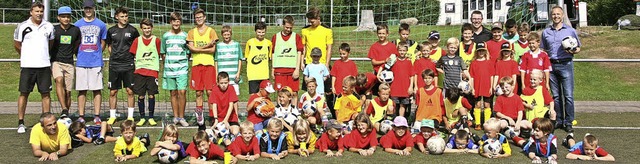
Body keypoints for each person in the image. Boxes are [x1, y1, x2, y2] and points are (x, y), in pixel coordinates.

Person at [14, 2, 55, 133]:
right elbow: (17, 45)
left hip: (44, 65)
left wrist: (42, 56)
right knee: (24, 93)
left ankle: (46, 121)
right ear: (31, 12)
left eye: (41, 11)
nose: (39, 13)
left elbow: (50, 43)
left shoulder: (48, 26)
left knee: (45, 94)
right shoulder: (22, 26)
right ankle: (21, 122)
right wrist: (27, 56)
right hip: (27, 66)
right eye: (36, 11)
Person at [541, 6, 582, 133]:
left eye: (558, 14)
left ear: (563, 15)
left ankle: (568, 121)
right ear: (551, 16)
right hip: (551, 66)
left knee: (568, 95)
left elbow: (579, 47)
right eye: (554, 14)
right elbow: (543, 49)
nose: (556, 16)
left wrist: (572, 50)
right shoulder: (546, 32)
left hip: (566, 64)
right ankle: (559, 120)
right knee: (556, 96)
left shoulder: (570, 31)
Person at [75, 0, 108, 124]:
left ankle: (97, 115)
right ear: (83, 9)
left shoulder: (101, 24)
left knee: (96, 89)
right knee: (82, 90)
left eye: (90, 8)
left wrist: (96, 53)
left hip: (95, 62)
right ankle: (81, 115)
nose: (88, 11)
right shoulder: (77, 24)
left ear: (94, 8)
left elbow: (103, 42)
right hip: (82, 62)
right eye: (86, 8)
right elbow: (76, 41)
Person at [106, 7, 139, 125]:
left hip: (128, 64)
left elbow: (137, 45)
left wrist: (130, 56)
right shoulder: (111, 31)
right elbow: (109, 45)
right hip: (114, 64)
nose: (125, 18)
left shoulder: (133, 30)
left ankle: (130, 117)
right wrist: (115, 55)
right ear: (116, 17)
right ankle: (112, 116)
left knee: (130, 91)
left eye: (126, 16)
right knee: (113, 92)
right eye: (122, 16)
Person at [187, 8, 219, 124]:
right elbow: (191, 48)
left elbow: (213, 50)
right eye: (196, 17)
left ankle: (212, 116)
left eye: (200, 17)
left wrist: (198, 49)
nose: (199, 19)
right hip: (197, 65)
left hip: (209, 65)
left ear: (204, 17)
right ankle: (199, 117)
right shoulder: (191, 32)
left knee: (210, 92)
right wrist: (206, 46)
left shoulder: (211, 31)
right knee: (198, 92)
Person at [128, 18, 161, 126]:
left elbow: (161, 53)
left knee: (151, 95)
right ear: (141, 29)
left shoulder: (156, 40)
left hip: (152, 71)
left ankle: (151, 117)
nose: (147, 30)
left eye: (148, 28)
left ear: (152, 28)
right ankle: (142, 117)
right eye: (144, 28)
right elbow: (132, 54)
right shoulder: (137, 40)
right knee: (141, 95)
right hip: (140, 71)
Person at [50, 6, 81, 118]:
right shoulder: (54, 29)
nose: (66, 19)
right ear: (58, 17)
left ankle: (65, 115)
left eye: (68, 16)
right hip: (56, 61)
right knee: (59, 80)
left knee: (68, 92)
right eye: (63, 17)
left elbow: (77, 46)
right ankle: (63, 109)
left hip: (69, 62)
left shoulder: (75, 30)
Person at [161, 12, 190, 126]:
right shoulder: (165, 36)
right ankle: (176, 117)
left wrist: (182, 62)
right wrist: (167, 63)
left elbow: (188, 53)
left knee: (182, 92)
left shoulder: (185, 35)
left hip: (182, 68)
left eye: (178, 21)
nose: (176, 23)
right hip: (170, 68)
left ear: (180, 22)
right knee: (173, 92)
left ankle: (182, 117)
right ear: (170, 22)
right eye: (174, 21)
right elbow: (163, 52)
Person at [272, 15, 303, 104]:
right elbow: (273, 53)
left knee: (293, 93)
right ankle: (280, 113)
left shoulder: (296, 37)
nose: (288, 29)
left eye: (290, 28)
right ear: (283, 25)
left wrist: (297, 69)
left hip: (292, 69)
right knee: (280, 93)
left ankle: (293, 113)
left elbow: (299, 53)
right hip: (279, 69)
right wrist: (273, 69)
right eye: (286, 27)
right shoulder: (275, 37)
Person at [301, 7, 333, 92]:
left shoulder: (327, 30)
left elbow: (329, 48)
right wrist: (302, 62)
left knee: (327, 91)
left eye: (312, 21)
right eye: (309, 21)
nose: (310, 23)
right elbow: (303, 47)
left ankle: (328, 105)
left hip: (322, 63)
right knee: (309, 89)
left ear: (318, 18)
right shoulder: (305, 30)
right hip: (309, 63)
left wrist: (327, 64)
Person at [469, 42, 496, 130]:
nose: (481, 53)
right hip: (477, 86)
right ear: (476, 52)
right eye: (479, 51)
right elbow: (471, 77)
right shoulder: (473, 63)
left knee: (487, 104)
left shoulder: (489, 62)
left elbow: (492, 75)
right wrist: (472, 88)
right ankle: (478, 123)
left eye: (482, 51)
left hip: (487, 86)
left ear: (485, 51)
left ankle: (486, 123)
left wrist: (491, 86)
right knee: (478, 104)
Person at [388, 42, 415, 122]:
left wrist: (411, 86)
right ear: (397, 50)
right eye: (400, 50)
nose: (402, 52)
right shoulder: (394, 61)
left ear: (406, 51)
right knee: (394, 105)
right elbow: (387, 70)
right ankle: (393, 120)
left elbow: (412, 75)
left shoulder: (409, 62)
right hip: (395, 87)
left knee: (403, 105)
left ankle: (401, 120)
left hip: (405, 88)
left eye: (403, 50)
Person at [209, 72, 240, 138]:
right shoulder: (215, 89)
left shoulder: (231, 88)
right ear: (217, 82)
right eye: (221, 83)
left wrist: (226, 119)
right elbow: (214, 105)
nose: (224, 85)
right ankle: (224, 134)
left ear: (228, 82)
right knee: (213, 132)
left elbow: (231, 105)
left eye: (225, 83)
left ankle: (229, 133)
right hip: (219, 117)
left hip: (230, 117)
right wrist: (216, 119)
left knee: (235, 132)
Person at [215, 25, 243, 96]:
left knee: (234, 96)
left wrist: (238, 73)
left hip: (233, 76)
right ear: (222, 35)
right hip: (222, 77)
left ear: (231, 34)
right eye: (224, 35)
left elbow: (240, 59)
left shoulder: (236, 44)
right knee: (223, 96)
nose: (226, 36)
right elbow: (216, 61)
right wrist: (216, 74)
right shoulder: (218, 46)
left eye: (228, 34)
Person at [246, 22, 272, 94]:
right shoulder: (250, 42)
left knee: (265, 95)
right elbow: (247, 58)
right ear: (255, 31)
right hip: (253, 75)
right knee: (253, 96)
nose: (261, 34)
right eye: (259, 32)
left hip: (264, 75)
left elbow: (269, 59)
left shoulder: (269, 43)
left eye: (263, 32)